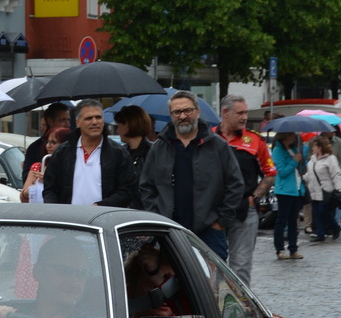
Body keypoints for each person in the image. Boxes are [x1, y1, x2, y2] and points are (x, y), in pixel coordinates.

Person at [137, 90, 244, 262]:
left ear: (197, 111)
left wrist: (221, 222)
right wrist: (157, 215)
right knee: (171, 276)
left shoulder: (217, 145)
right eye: (177, 112)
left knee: (211, 278)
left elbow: (235, 184)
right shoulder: (159, 147)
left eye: (187, 110)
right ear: (171, 115)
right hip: (169, 231)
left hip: (209, 231)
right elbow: (146, 185)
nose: (182, 116)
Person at [217, 95, 275, 284]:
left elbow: (270, 173)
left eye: (246, 113)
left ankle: (239, 302)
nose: (244, 117)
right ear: (225, 112)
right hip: (212, 212)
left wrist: (255, 198)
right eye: (240, 113)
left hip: (243, 211)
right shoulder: (208, 138)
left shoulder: (254, 140)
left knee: (240, 266)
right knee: (212, 264)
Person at [42, 99, 135, 206]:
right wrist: (59, 211)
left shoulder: (118, 153)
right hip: (68, 215)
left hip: (106, 215)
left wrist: (101, 206)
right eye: (88, 118)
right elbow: (50, 189)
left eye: (98, 117)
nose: (94, 122)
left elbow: (127, 191)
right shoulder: (62, 152)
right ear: (78, 122)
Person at [270, 132, 307, 260]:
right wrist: (294, 161)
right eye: (291, 135)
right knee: (282, 220)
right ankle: (279, 249)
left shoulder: (294, 149)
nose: (294, 137)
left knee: (293, 221)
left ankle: (293, 249)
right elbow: (282, 172)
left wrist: (300, 160)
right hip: (284, 190)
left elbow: (301, 168)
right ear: (285, 136)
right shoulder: (277, 151)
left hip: (296, 189)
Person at [111, 104, 155, 209]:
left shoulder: (154, 152)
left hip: (148, 211)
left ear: (127, 125)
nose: (117, 131)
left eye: (118, 126)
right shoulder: (120, 153)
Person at [304, 133, 341, 242]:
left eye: (314, 146)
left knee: (323, 211)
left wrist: (339, 189)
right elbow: (310, 173)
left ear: (320, 147)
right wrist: (303, 178)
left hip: (325, 190)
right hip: (314, 190)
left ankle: (335, 227)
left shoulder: (330, 159)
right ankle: (320, 234)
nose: (312, 148)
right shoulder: (312, 159)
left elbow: (336, 174)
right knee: (316, 213)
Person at [20, 103, 71, 184]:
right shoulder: (35, 148)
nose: (67, 124)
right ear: (50, 121)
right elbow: (27, 181)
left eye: (68, 120)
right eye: (62, 120)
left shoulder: (76, 143)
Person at [20, 125, 68, 203]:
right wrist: (32, 189)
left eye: (53, 142)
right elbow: (23, 199)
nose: (48, 146)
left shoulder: (71, 167)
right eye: (47, 142)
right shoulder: (37, 167)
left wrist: (48, 181)